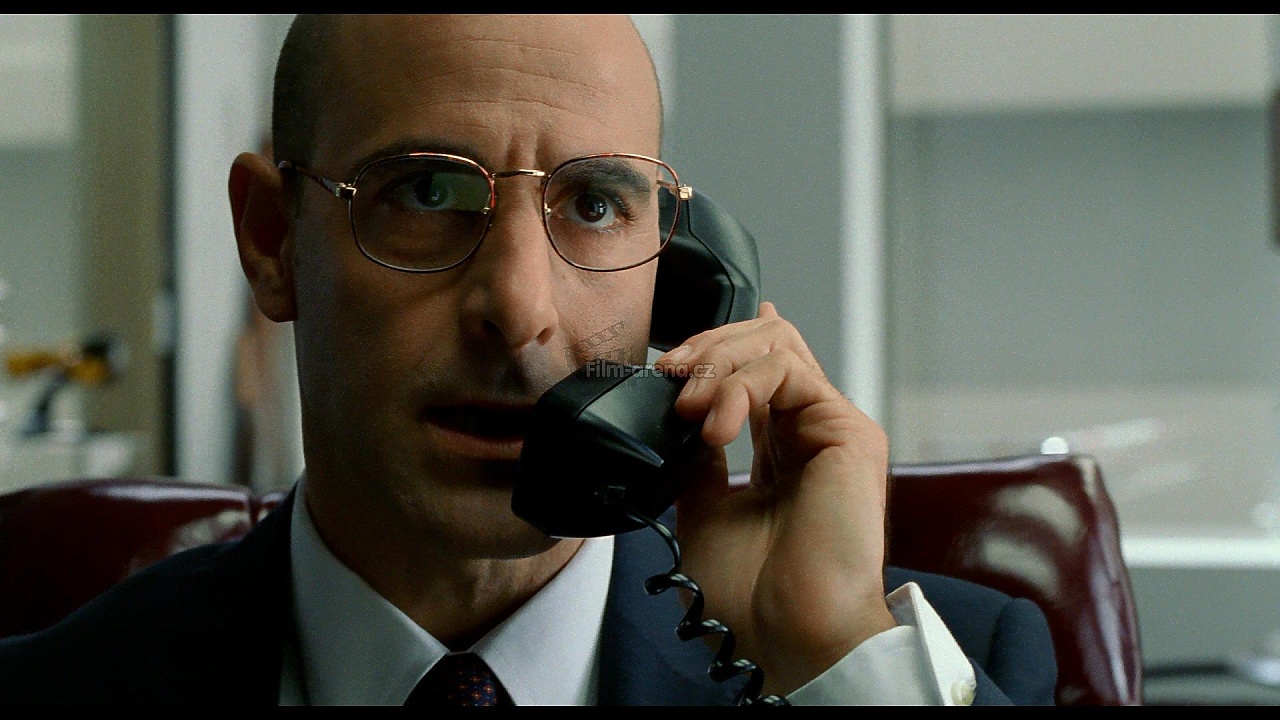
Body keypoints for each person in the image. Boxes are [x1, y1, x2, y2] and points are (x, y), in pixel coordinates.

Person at [0, 14, 1057, 705]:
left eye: (594, 204)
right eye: (425, 192)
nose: (518, 308)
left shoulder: (905, 663)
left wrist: (830, 660)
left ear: (680, 269)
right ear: (272, 242)